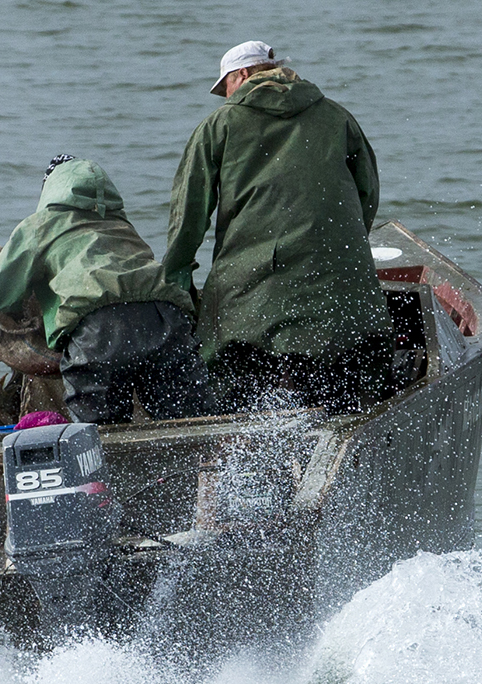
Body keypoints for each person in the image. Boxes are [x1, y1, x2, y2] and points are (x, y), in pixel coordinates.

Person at [164, 40, 396, 414]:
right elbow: (367, 195)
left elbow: (188, 215)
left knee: (227, 358)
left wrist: (176, 281)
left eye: (224, 86)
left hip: (254, 297)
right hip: (343, 290)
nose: (224, 96)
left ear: (241, 76)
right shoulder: (337, 117)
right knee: (350, 374)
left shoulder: (219, 125)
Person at [0, 155, 214, 425]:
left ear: (51, 189)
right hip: (165, 316)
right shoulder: (120, 224)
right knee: (189, 424)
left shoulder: (42, 223)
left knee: (98, 438)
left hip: (100, 328)